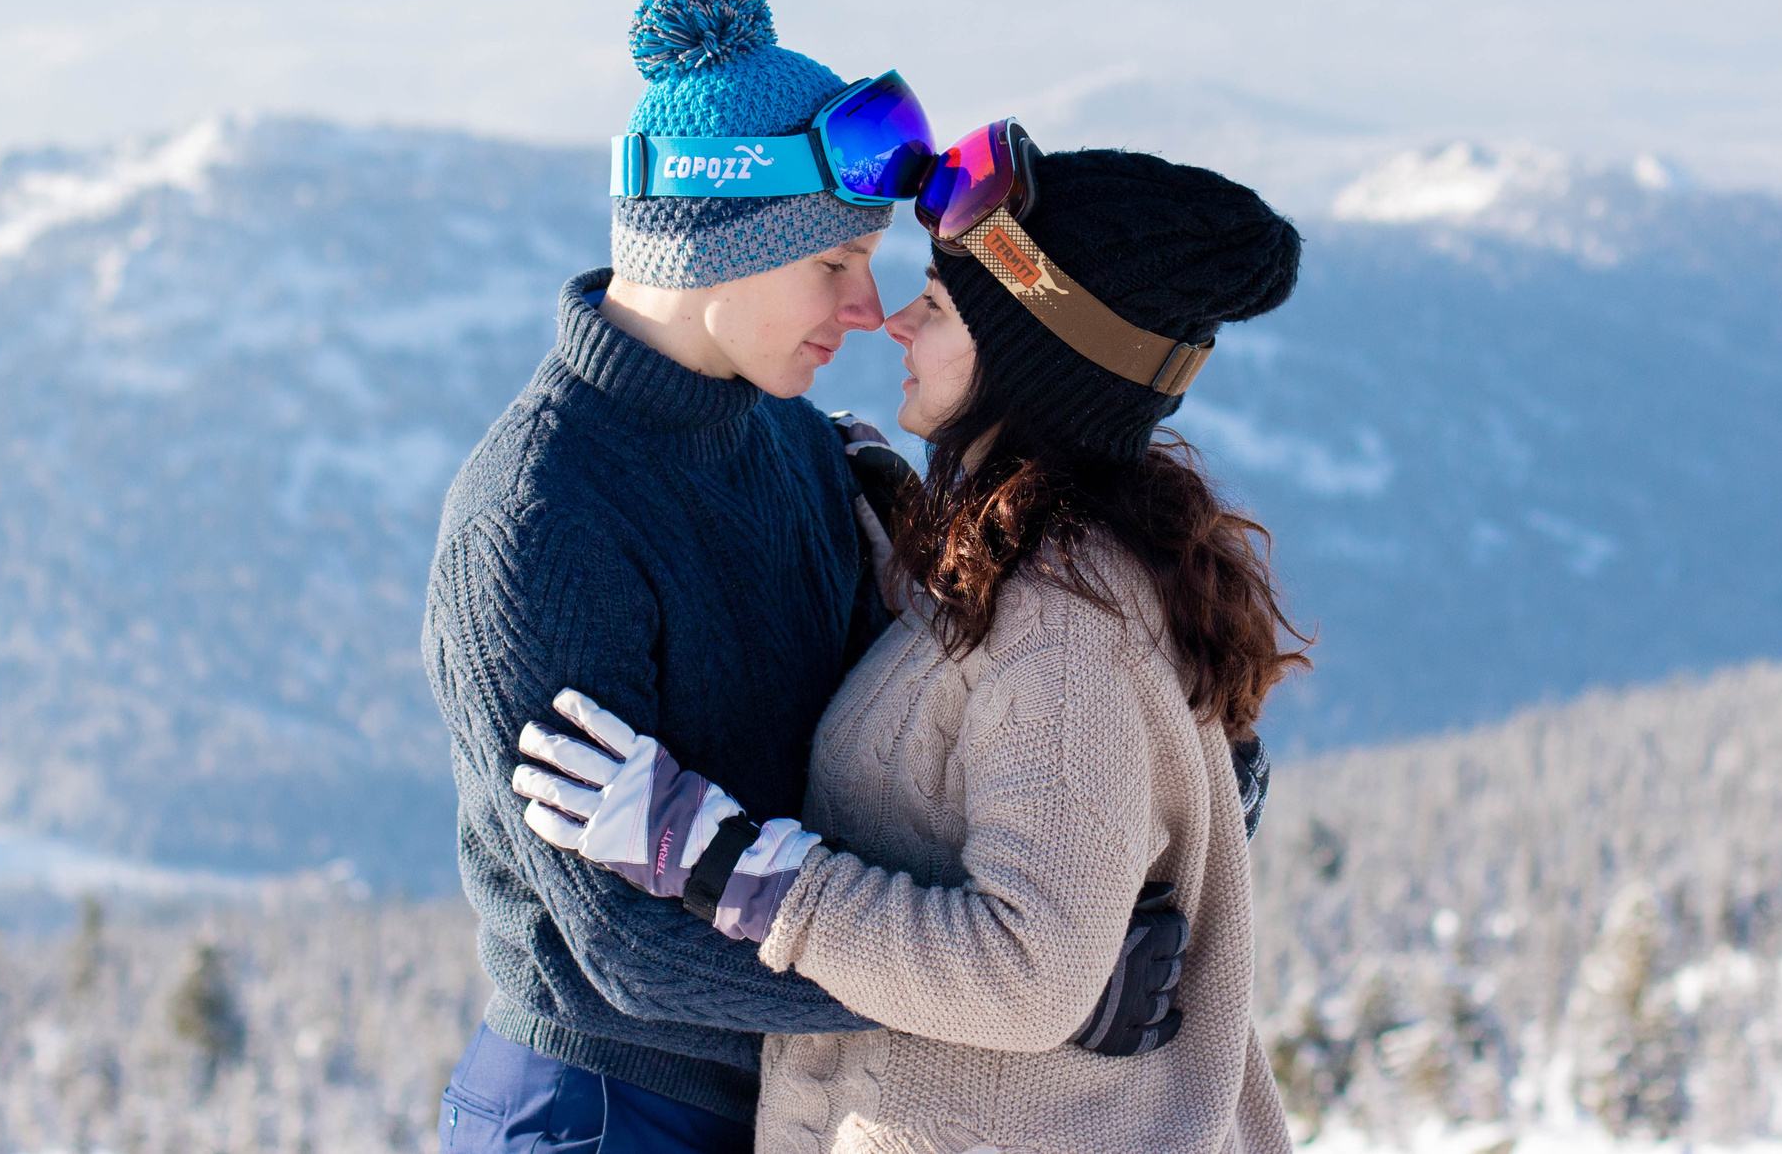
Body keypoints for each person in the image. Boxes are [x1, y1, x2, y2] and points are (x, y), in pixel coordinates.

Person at [422, 0, 1182, 1154]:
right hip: (607, 1111)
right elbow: (621, 942)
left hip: (793, 1092)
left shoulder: (783, 432)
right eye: (831, 266)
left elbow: (915, 712)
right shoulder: (536, 524)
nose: (867, 306)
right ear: (710, 249)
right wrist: (1014, 998)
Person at [514, 127, 1311, 1154]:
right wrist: (913, 555)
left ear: (1030, 359)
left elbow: (1026, 974)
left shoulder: (1067, 622)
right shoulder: (1057, 571)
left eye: (933, 307)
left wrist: (722, 860)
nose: (889, 320)